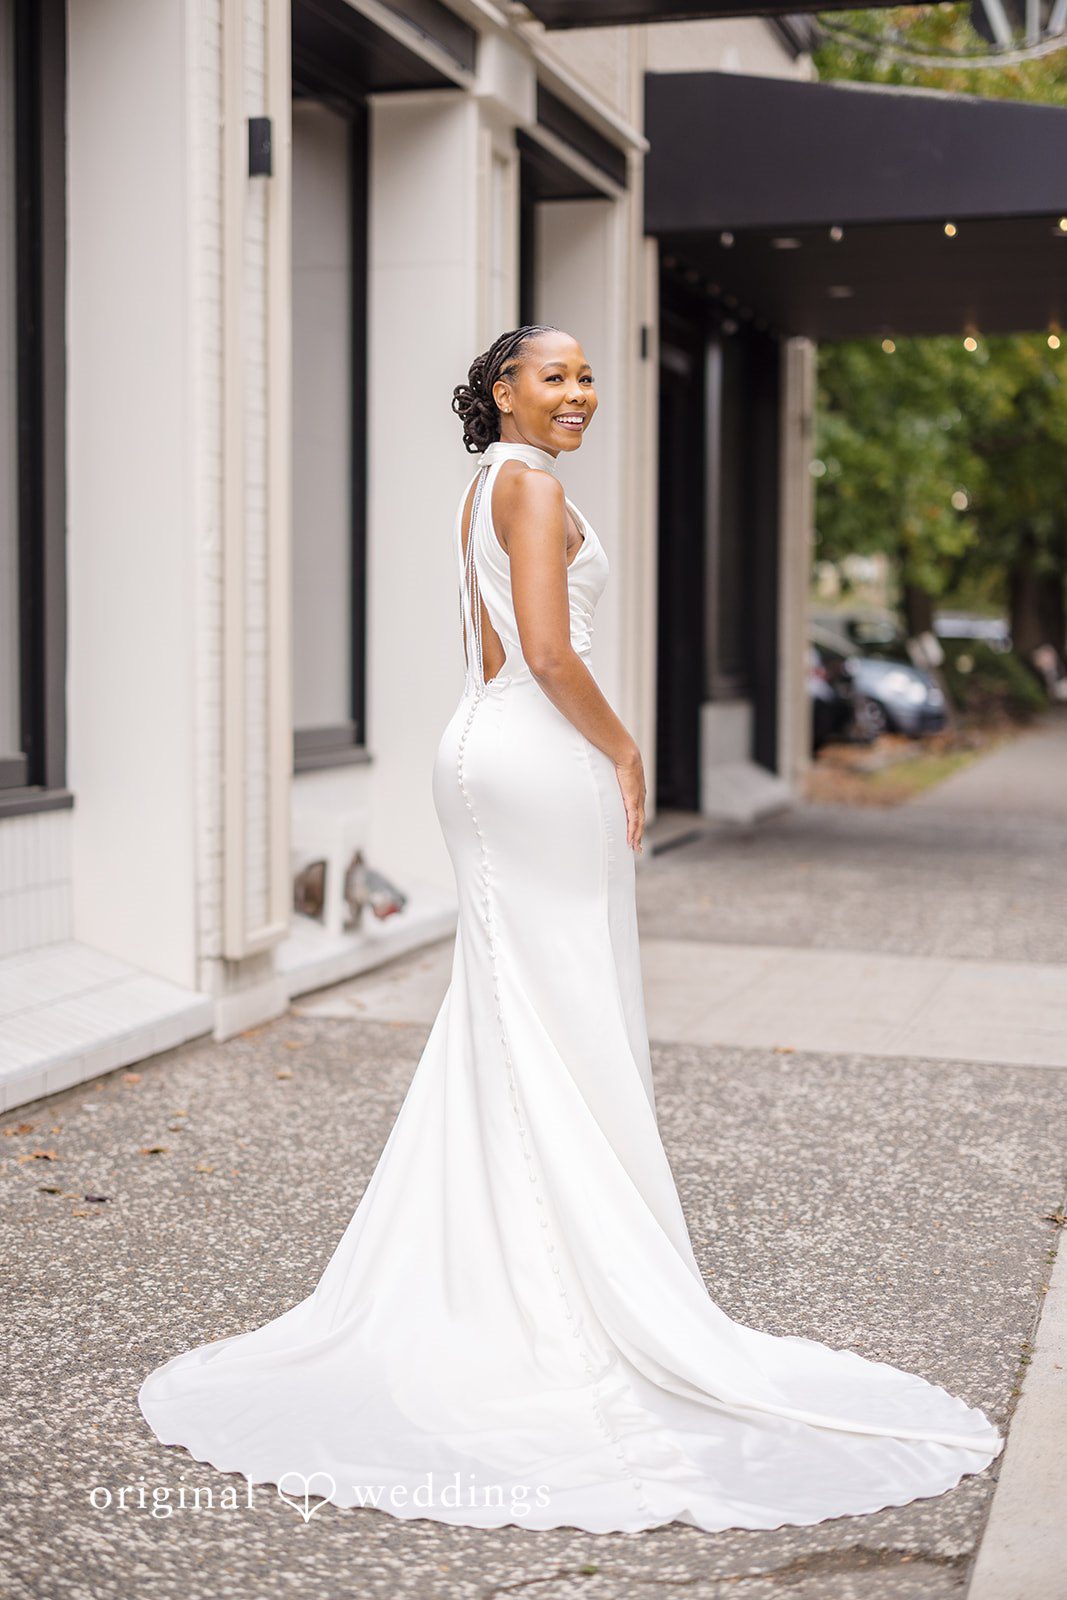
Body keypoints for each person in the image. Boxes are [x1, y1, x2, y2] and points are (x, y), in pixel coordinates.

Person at [137, 324, 1003, 1532]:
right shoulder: (528, 487)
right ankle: (557, 1294)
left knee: (517, 1009)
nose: (579, 393)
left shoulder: (483, 487)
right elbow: (546, 651)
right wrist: (622, 742)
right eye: (554, 375)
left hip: (484, 744)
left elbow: (490, 649)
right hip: (535, 755)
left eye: (588, 376)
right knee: (560, 1005)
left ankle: (497, 1264)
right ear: (502, 392)